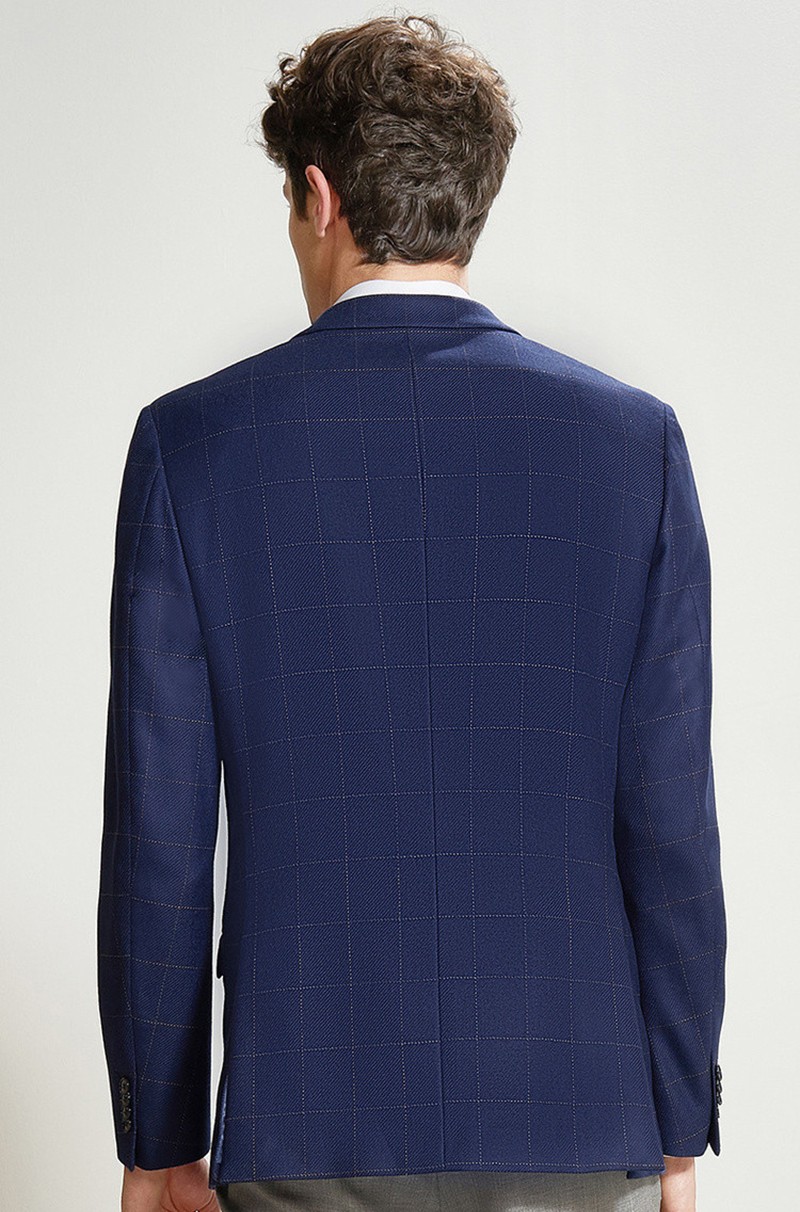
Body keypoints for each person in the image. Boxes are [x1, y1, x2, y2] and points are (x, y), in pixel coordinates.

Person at [96, 15, 727, 1212]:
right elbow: (668, 824)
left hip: (304, 1120)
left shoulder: (192, 446)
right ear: (469, 203)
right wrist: (677, 1124)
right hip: (577, 1119)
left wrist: (158, 1139)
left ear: (319, 197)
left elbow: (160, 836)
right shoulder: (630, 446)